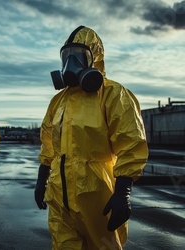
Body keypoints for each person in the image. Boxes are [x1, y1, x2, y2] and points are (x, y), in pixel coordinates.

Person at [35, 25, 149, 249]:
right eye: (67, 57)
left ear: (94, 57)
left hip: (98, 196)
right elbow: (48, 144)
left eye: (78, 56)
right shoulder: (58, 102)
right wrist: (42, 179)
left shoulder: (113, 94)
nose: (71, 63)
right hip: (59, 196)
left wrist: (123, 191)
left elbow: (131, 143)